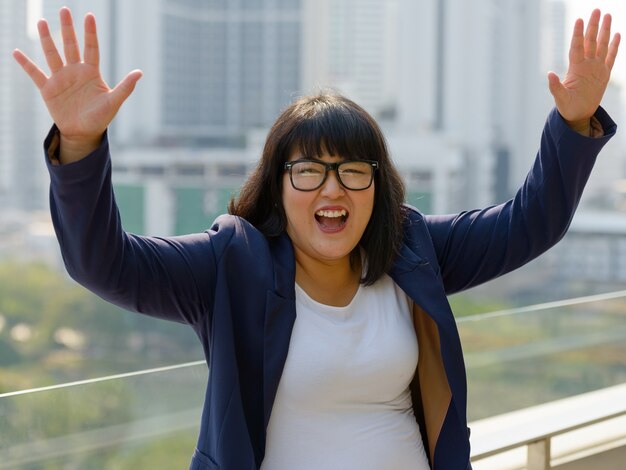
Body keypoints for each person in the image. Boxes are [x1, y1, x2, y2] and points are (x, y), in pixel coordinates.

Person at [13, 6, 620, 470]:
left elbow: (530, 223)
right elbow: (104, 264)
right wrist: (80, 147)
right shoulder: (231, 265)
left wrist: (572, 123)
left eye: (353, 171)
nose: (332, 190)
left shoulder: (414, 250)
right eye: (309, 171)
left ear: (378, 186)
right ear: (278, 185)